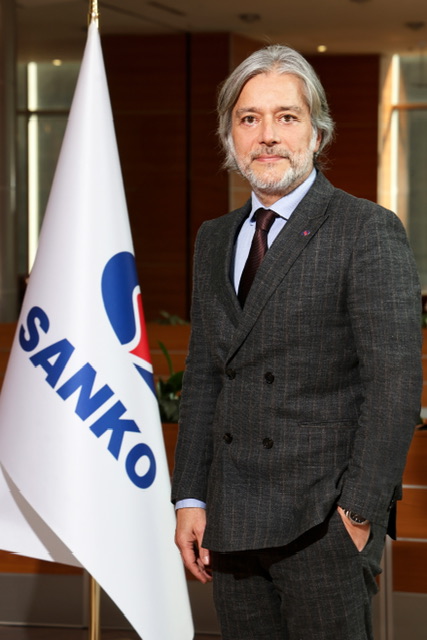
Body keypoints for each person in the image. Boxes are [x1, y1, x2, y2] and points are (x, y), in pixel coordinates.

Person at [171, 44, 423, 640]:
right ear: (230, 136)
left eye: (287, 116)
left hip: (321, 523)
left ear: (317, 132)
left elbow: (394, 386)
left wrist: (357, 514)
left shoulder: (366, 230)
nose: (268, 135)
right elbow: (206, 376)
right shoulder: (214, 238)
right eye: (249, 118)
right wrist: (190, 499)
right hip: (231, 519)